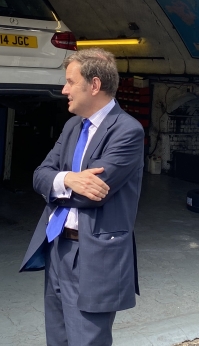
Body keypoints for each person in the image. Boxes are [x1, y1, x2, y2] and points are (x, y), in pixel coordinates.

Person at [20, 48, 145, 346]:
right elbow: (39, 176)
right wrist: (69, 179)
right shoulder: (73, 125)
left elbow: (95, 194)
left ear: (95, 85)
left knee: (87, 340)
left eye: (70, 82)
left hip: (95, 255)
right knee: (58, 339)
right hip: (58, 246)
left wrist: (57, 185)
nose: (64, 90)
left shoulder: (127, 131)